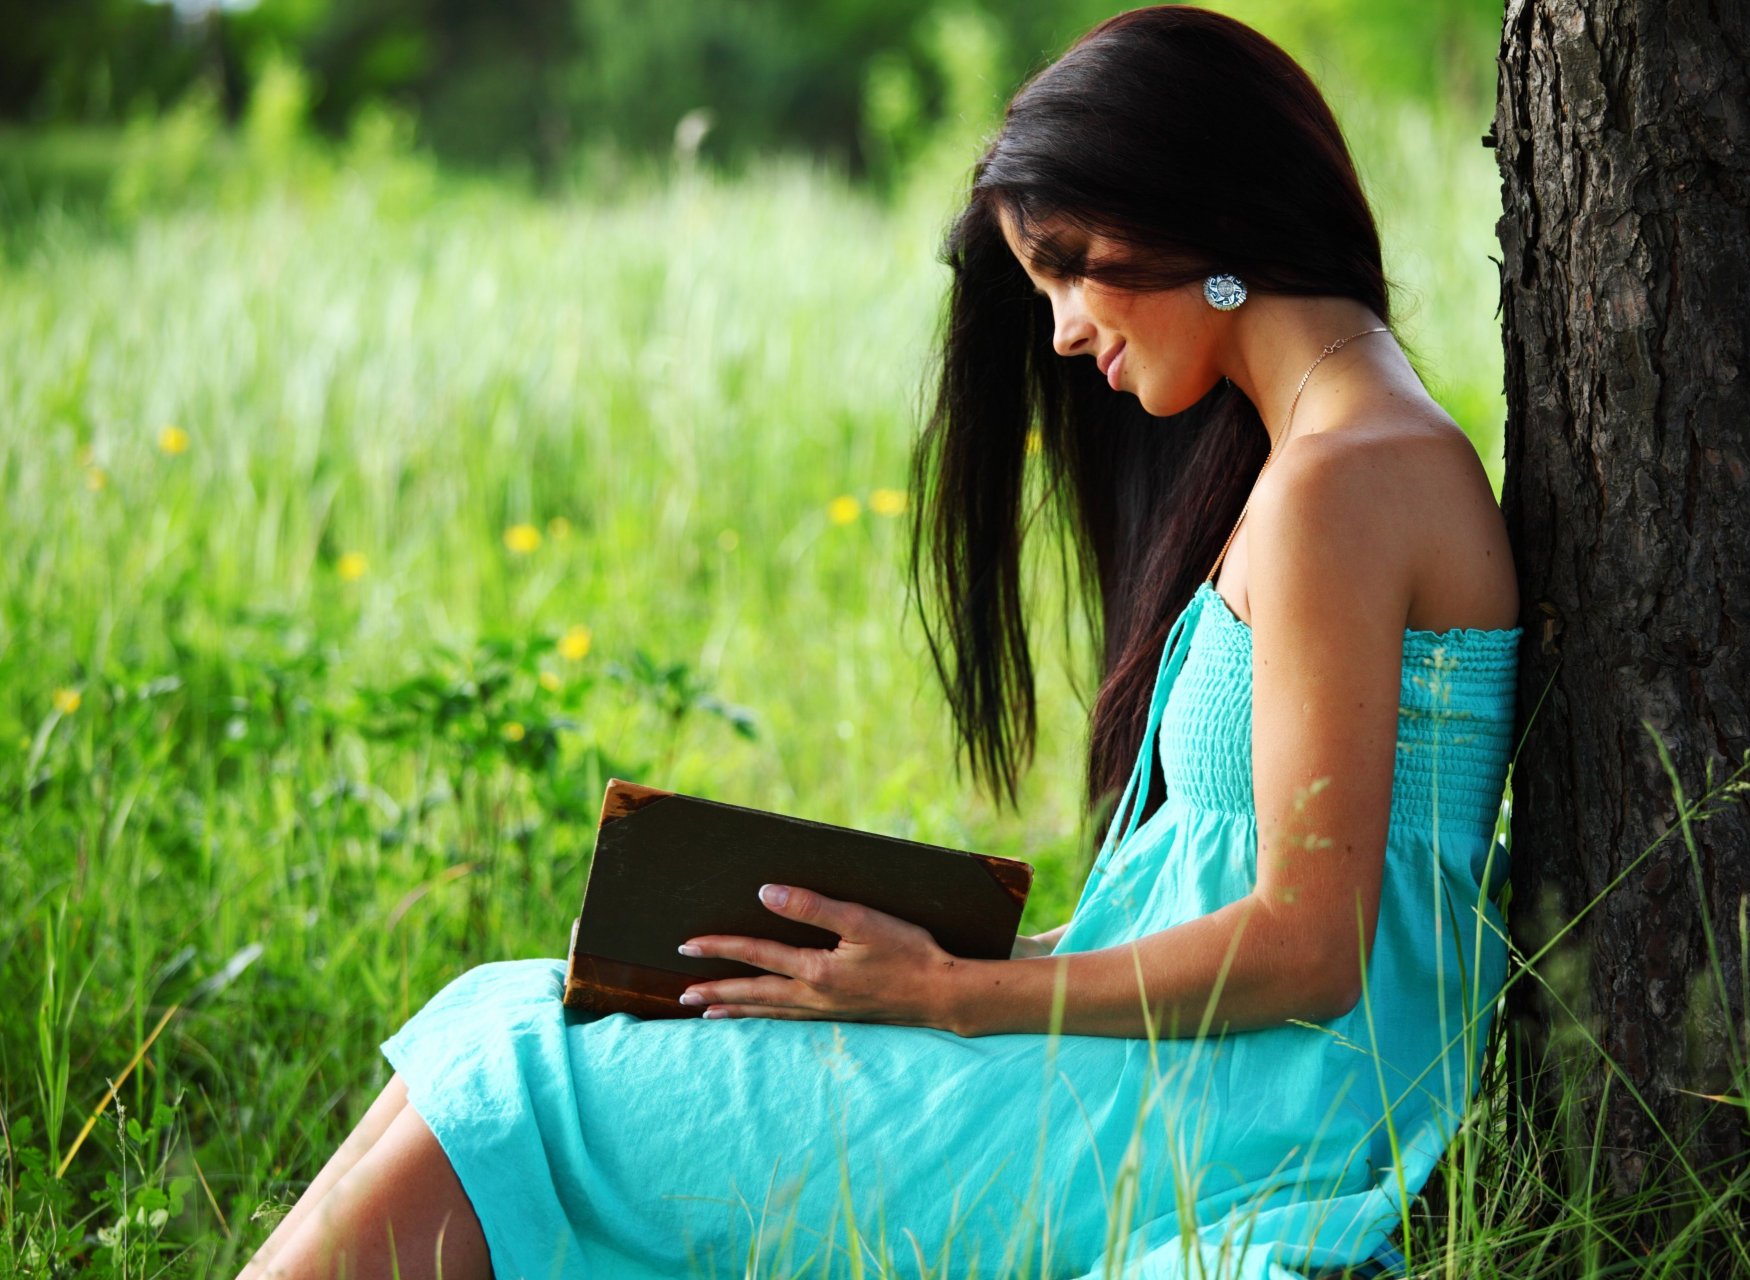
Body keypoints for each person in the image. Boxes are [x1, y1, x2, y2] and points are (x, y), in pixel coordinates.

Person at [237, 7, 1520, 1279]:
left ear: (1200, 206)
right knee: (508, 1015)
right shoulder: (1334, 460)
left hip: (1236, 1109)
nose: (1067, 326)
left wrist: (957, 997)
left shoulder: (1341, 485)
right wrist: (948, 958)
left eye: (1073, 262)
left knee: (534, 1079)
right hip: (1190, 1065)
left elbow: (1312, 942)